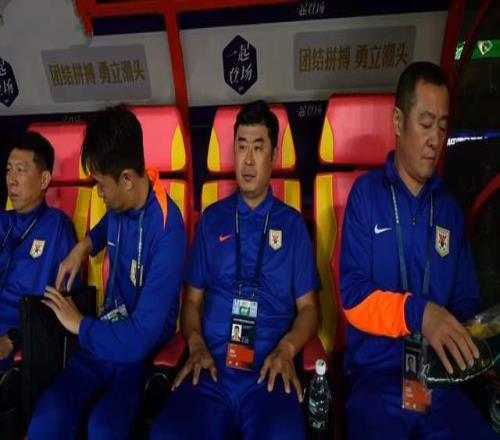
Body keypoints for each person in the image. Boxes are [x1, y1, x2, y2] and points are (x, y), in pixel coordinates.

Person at [340, 61, 496, 438]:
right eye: (425, 124)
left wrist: (483, 334)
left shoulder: (449, 210)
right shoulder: (366, 197)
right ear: (398, 122)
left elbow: (465, 306)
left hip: (440, 382)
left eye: (442, 127)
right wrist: (420, 314)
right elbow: (353, 299)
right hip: (376, 381)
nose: (435, 139)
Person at [150, 100, 320, 439]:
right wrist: (196, 344)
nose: (248, 160)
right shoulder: (212, 219)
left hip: (269, 371)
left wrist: (287, 349)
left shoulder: (292, 225)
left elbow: (310, 310)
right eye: (241, 147)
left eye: (258, 147)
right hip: (211, 368)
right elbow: (192, 302)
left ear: (274, 155)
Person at [28, 105, 186, 440]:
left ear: (126, 179)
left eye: (100, 185)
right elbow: (105, 227)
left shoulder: (168, 231)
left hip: (141, 351)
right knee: (48, 416)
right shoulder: (121, 202)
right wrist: (84, 246)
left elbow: (140, 336)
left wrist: (79, 324)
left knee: (104, 427)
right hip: (104, 334)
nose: (98, 193)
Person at [0, 131, 77, 370]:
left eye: (20, 170)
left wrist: (14, 338)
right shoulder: (2, 223)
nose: (11, 180)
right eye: (8, 170)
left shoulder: (57, 227)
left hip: (20, 343)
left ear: (44, 180)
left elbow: (64, 306)